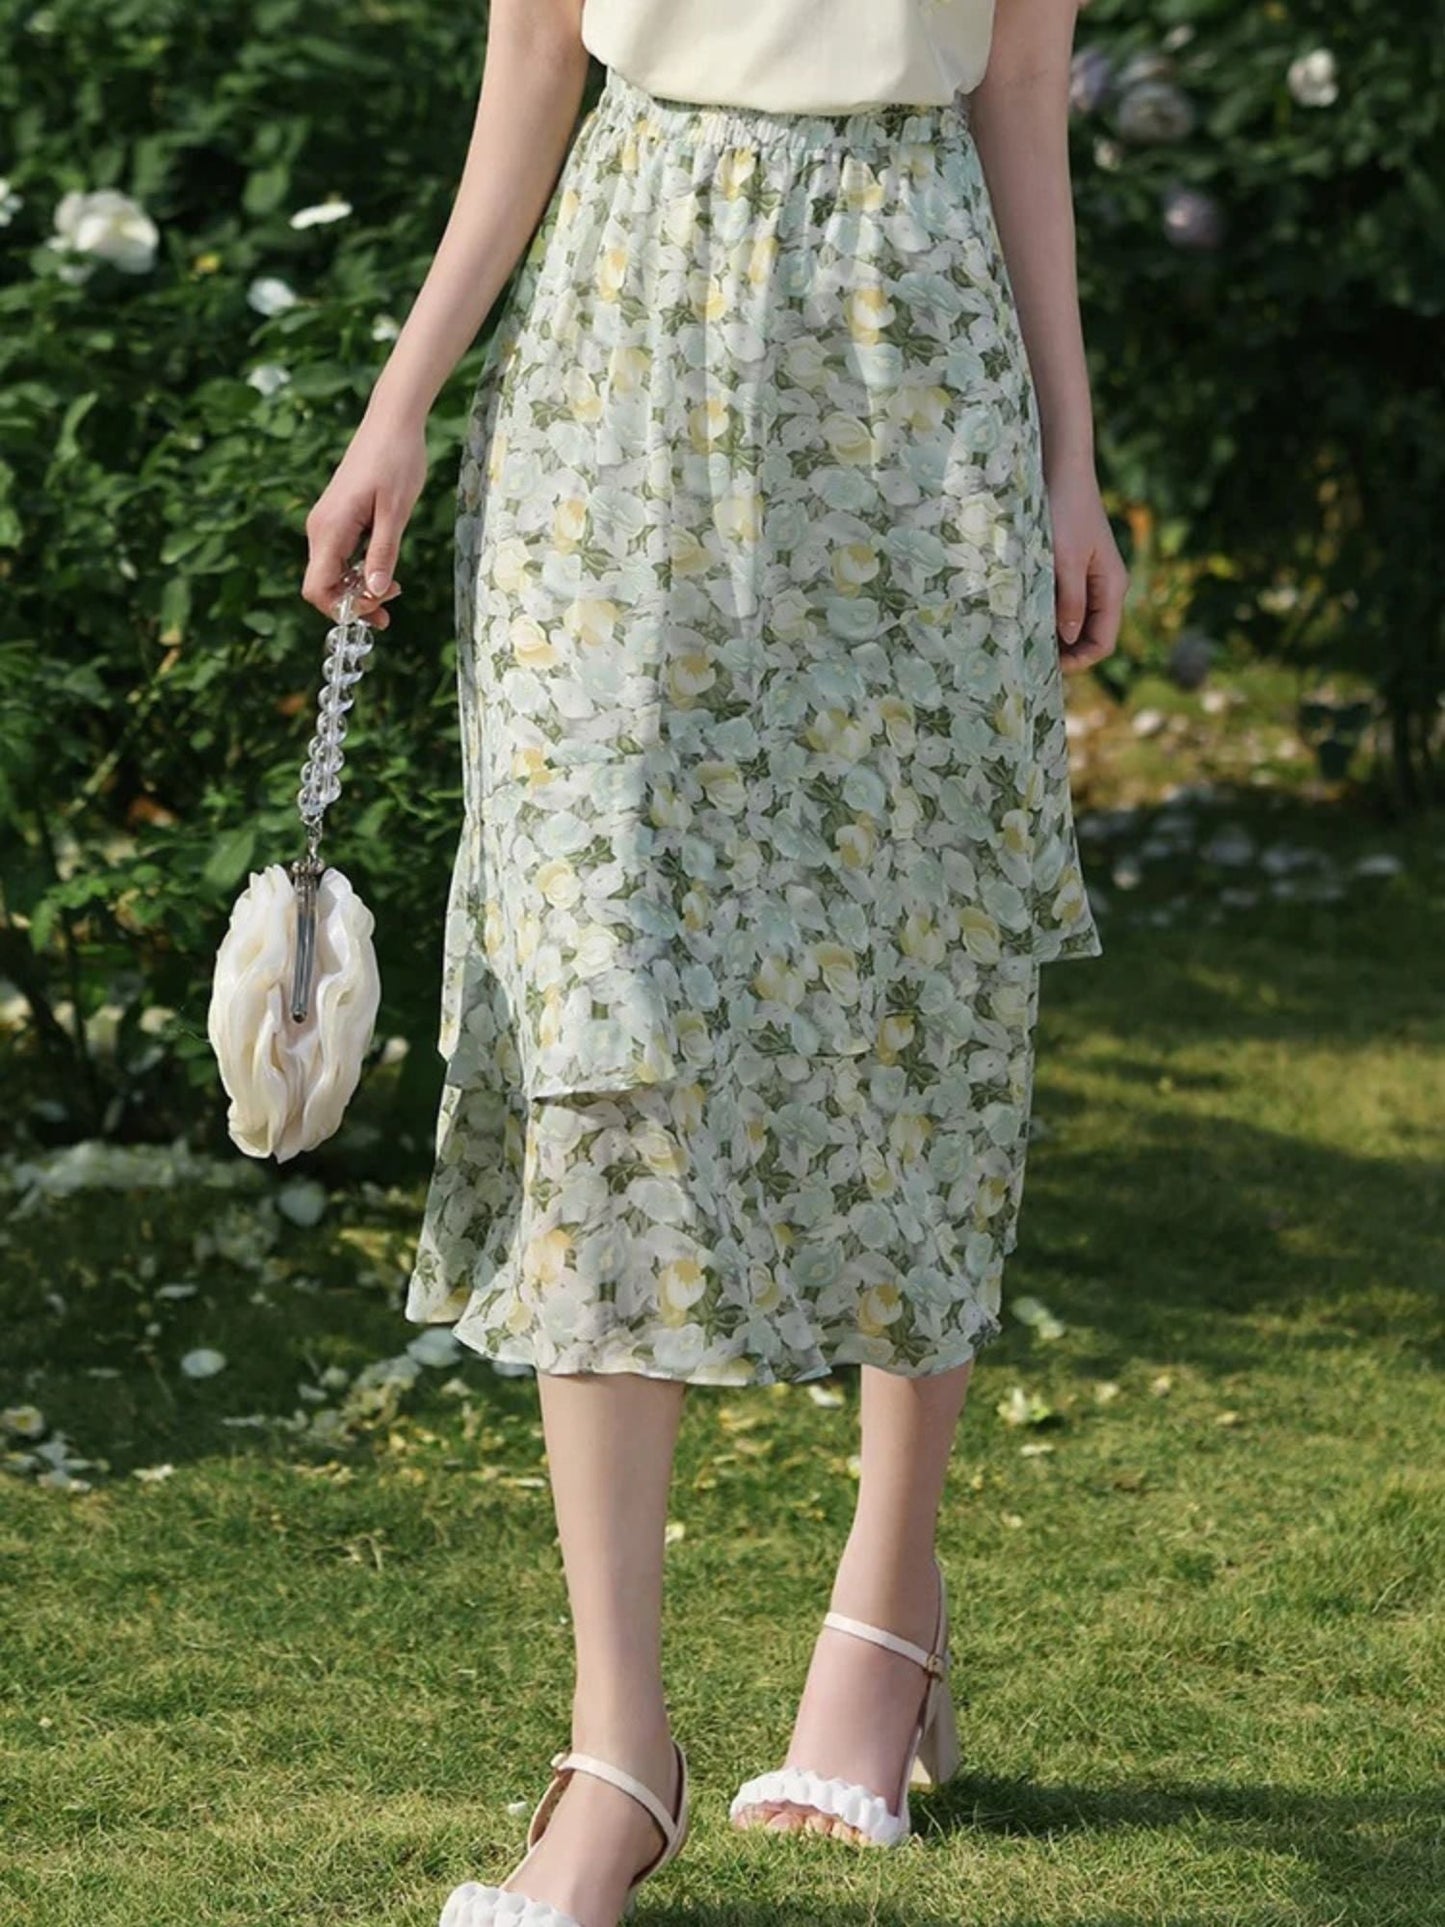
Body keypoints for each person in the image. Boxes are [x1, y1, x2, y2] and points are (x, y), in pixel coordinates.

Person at [302, 2, 1126, 1922]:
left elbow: (1017, 91)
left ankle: (885, 1615)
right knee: (597, 985)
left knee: (916, 976)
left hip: (906, 361)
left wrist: (1073, 463)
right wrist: (398, 407)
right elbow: (530, 62)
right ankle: (618, 1748)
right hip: (617, 357)